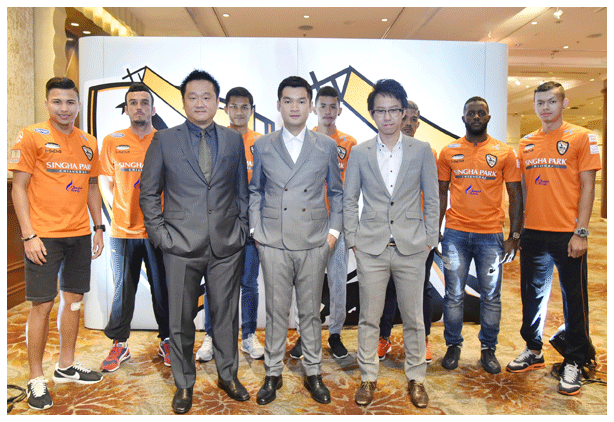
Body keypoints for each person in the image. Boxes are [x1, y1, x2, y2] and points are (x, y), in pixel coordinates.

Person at [139, 70, 250, 414]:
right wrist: (161, 237)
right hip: (179, 248)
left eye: (207, 97)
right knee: (180, 320)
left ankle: (228, 375)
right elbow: (148, 193)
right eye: (193, 97)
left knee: (226, 317)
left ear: (217, 102)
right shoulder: (164, 140)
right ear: (183, 101)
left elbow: (241, 192)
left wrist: (242, 230)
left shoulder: (233, 140)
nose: (200, 103)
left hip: (226, 246)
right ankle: (184, 383)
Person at [9, 77, 104, 410]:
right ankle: (36, 377)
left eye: (70, 102)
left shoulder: (89, 142)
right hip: (43, 236)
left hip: (79, 235)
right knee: (42, 305)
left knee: (74, 301)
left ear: (78, 105)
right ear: (47, 103)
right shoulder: (31, 136)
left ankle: (66, 365)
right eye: (57, 102)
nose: (64, 108)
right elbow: (18, 187)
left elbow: (92, 186)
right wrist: (28, 235)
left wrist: (98, 227)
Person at [343, 79, 438, 408]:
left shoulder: (422, 150)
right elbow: (349, 199)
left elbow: (432, 198)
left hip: (412, 248)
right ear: (372, 114)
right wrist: (353, 240)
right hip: (371, 248)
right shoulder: (360, 152)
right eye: (380, 111)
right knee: (369, 318)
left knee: (414, 318)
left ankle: (417, 378)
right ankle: (368, 376)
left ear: (403, 113)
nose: (387, 117)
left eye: (393, 110)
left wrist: (430, 240)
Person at [249, 76, 343, 405]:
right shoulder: (263, 145)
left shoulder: (326, 145)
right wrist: (256, 232)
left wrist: (332, 234)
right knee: (275, 312)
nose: (294, 107)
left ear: (310, 106)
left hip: (314, 241)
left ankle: (313, 372)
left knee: (310, 313)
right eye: (288, 101)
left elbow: (336, 193)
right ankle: (272, 372)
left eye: (301, 101)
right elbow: (256, 191)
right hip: (273, 242)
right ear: (278, 105)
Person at [506, 81, 601, 396]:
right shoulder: (526, 143)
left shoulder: (582, 137)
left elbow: (588, 186)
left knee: (574, 298)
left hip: (568, 234)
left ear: (564, 103)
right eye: (540, 103)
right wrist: (519, 230)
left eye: (551, 102)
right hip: (534, 233)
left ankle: (574, 359)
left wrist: (581, 232)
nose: (545, 108)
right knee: (532, 295)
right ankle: (533, 349)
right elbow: (523, 190)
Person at [438, 96, 523, 374]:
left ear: (488, 118)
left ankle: (488, 348)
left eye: (481, 113)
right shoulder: (449, 151)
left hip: (491, 237)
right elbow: (440, 192)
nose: (476, 117)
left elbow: (515, 194)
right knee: (453, 294)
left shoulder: (504, 152)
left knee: (491, 296)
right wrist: (435, 229)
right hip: (455, 235)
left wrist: (514, 236)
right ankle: (453, 345)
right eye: (471, 113)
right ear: (463, 118)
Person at [99, 82, 171, 372]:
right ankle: (119, 344)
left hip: (158, 231)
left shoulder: (165, 140)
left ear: (153, 109)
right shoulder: (112, 141)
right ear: (126, 109)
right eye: (133, 102)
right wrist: (116, 209)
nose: (139, 107)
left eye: (144, 102)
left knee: (163, 290)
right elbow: (105, 179)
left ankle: (168, 340)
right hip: (123, 232)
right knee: (122, 290)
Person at [288, 85, 357, 360]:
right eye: (323, 106)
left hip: (337, 223)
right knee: (306, 282)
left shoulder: (349, 143)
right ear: (314, 108)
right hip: (309, 223)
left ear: (339, 110)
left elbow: (352, 188)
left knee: (338, 282)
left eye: (333, 106)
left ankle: (335, 334)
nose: (328, 111)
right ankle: (305, 334)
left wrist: (348, 224)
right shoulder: (304, 139)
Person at [196, 86, 264, 361]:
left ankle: (248, 335)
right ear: (226, 109)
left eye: (244, 107)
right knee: (215, 285)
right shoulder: (214, 138)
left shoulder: (261, 143)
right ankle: (212, 336)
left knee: (249, 283)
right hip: (220, 227)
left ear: (252, 111)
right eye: (233, 106)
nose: (239, 112)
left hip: (251, 226)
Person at [377, 101, 437, 364]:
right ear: (399, 118)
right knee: (388, 290)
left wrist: (430, 237)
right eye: (406, 118)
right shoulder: (383, 152)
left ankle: (422, 341)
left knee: (421, 289)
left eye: (414, 119)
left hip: (417, 236)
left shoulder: (427, 152)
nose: (409, 123)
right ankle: (383, 338)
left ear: (418, 123)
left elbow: (434, 196)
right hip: (388, 234)